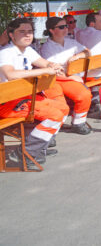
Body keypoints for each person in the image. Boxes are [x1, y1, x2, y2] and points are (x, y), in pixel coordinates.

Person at [0, 18, 69, 169]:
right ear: (11, 35)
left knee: (63, 109)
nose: (27, 35)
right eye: (22, 32)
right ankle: (25, 153)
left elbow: (44, 63)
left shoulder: (28, 50)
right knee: (54, 115)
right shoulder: (6, 52)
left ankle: (38, 147)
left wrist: (53, 65)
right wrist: (45, 70)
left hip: (24, 98)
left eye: (30, 32)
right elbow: (10, 74)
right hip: (8, 102)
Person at [40, 17, 93, 135]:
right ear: (52, 30)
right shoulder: (47, 48)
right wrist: (70, 78)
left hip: (71, 78)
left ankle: (78, 123)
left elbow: (87, 51)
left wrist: (77, 56)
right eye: (62, 27)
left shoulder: (71, 42)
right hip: (56, 80)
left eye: (66, 26)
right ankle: (49, 133)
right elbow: (53, 70)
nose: (66, 28)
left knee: (84, 94)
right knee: (61, 104)